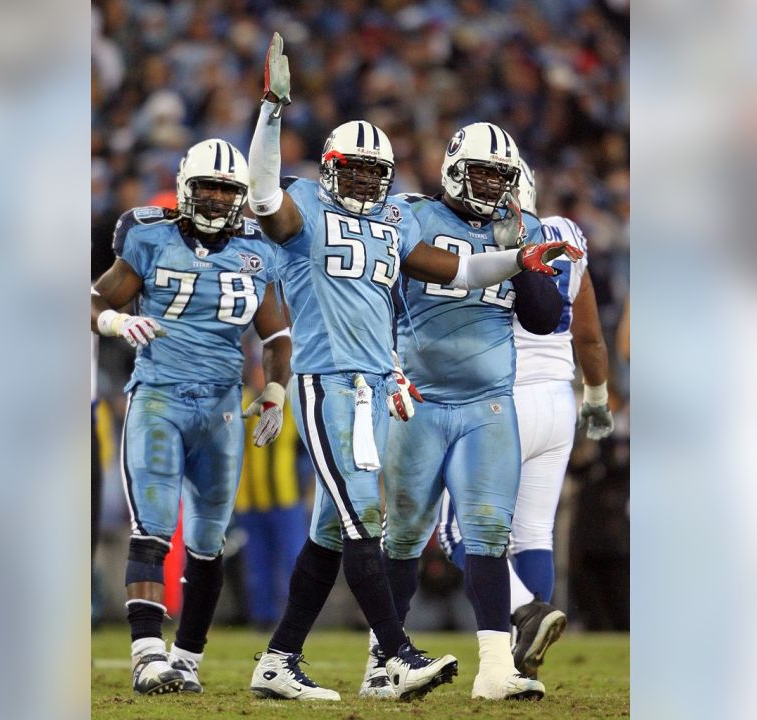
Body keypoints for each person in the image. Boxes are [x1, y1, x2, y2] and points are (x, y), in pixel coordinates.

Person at [243, 33, 580, 702]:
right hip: (352, 384)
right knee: (377, 523)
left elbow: (460, 270)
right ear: (331, 165)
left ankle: (282, 659)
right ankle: (392, 657)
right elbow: (259, 199)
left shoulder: (399, 221)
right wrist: (271, 113)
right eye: (354, 168)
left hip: (405, 389)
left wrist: (518, 260)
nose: (365, 179)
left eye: (375, 170)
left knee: (340, 530)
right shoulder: (309, 203)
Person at [90, 138, 292, 696]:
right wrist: (114, 324)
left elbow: (275, 334)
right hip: (159, 396)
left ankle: (187, 660)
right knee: (153, 524)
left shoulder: (257, 248)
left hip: (223, 406)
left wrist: (275, 389)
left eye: (227, 189)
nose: (215, 197)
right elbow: (93, 299)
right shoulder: (148, 234)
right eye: (206, 186)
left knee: (209, 539)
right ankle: (147, 654)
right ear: (185, 187)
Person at [379, 127, 569, 701]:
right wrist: (386, 365)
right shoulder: (411, 215)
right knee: (407, 533)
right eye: (482, 172)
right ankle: (383, 655)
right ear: (455, 169)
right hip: (420, 398)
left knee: (489, 530)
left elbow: (542, 319)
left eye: (500, 176)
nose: (491, 185)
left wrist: (526, 260)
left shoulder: (524, 226)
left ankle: (494, 669)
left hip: (489, 402)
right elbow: (380, 292)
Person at [436, 159, 613, 680]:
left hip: (500, 397)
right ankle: (525, 660)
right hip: (558, 400)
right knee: (534, 533)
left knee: (455, 531)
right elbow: (589, 335)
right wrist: (597, 397)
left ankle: (525, 613)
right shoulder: (566, 233)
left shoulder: (479, 236)